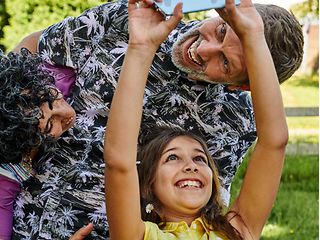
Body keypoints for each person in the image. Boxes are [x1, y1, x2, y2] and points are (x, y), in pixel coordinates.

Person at [10, 0, 302, 239]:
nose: (202, 50)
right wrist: (26, 112)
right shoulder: (130, 20)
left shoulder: (236, 121)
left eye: (225, 63)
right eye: (222, 31)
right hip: (17, 211)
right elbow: (26, 56)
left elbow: (195, 204)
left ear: (242, 85)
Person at [101, 0, 288, 239]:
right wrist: (141, 48)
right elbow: (119, 160)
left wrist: (253, 34)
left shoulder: (236, 232)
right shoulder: (138, 235)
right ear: (148, 185)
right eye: (172, 158)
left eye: (201, 159)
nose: (191, 166)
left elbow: (274, 142)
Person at [0, 49, 76, 239]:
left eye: (53, 99)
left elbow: (35, 41)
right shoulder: (5, 180)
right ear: (25, 144)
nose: (66, 114)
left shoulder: (55, 80)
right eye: (51, 124)